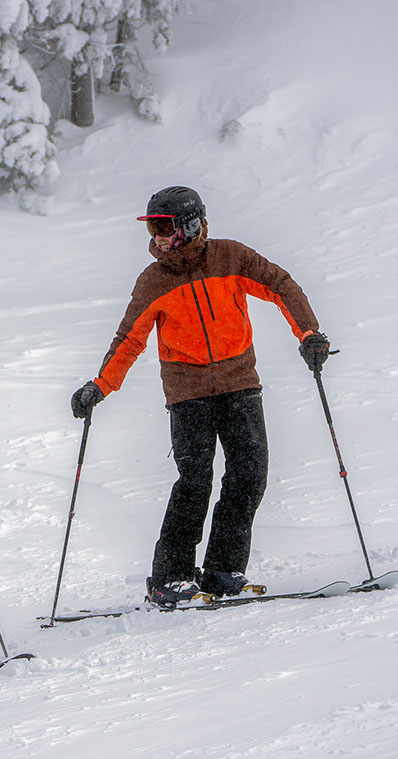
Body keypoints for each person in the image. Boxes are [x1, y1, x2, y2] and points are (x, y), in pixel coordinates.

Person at [71, 186, 331, 607]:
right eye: (152, 228)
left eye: (165, 227)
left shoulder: (231, 257)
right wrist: (99, 386)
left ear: (191, 225)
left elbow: (281, 286)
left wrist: (309, 333)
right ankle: (169, 578)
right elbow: (129, 340)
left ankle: (222, 571)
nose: (157, 237)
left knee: (249, 474)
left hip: (240, 384)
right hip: (187, 393)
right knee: (195, 482)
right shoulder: (154, 280)